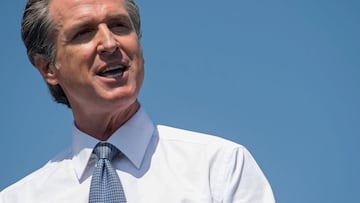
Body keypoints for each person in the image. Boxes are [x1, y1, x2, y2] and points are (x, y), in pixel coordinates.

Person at [0, 0, 275, 202]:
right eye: (84, 32)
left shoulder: (219, 167)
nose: (109, 43)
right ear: (48, 67)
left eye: (119, 26)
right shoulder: (19, 198)